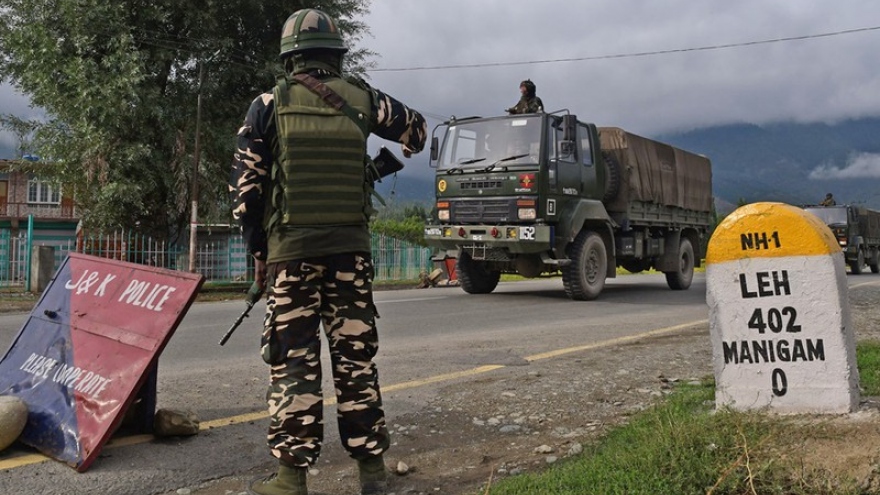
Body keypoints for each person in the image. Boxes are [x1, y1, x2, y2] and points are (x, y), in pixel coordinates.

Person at [230, 8, 427, 495]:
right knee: (356, 363)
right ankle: (373, 476)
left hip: (290, 256)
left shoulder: (267, 104)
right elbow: (417, 131)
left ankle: (290, 480)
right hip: (351, 256)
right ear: (336, 56)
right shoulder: (365, 100)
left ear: (290, 58)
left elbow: (246, 194)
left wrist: (259, 248)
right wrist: (395, 154)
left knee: (294, 363)